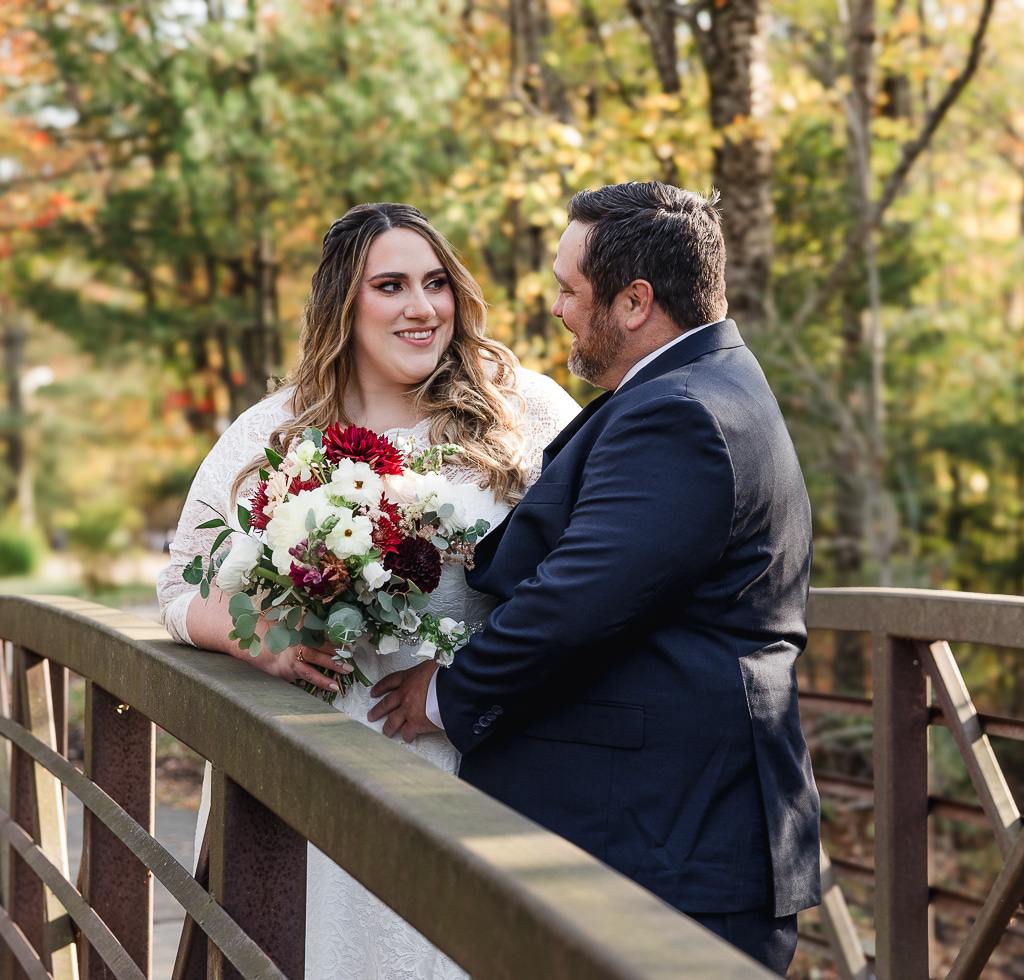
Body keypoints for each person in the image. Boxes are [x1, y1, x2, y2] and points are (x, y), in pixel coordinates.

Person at [369, 181, 821, 976]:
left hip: (673, 841)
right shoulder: (690, 388)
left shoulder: (683, 414)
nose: (558, 309)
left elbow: (576, 600)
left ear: (636, 300)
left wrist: (444, 692)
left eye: (570, 290)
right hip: (661, 830)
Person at [156, 202, 580, 980]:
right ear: (343, 306)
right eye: (391, 286)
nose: (422, 308)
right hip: (321, 752)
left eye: (435, 283)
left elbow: (592, 571)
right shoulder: (275, 432)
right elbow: (179, 582)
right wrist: (259, 636)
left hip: (476, 745)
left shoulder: (527, 410)